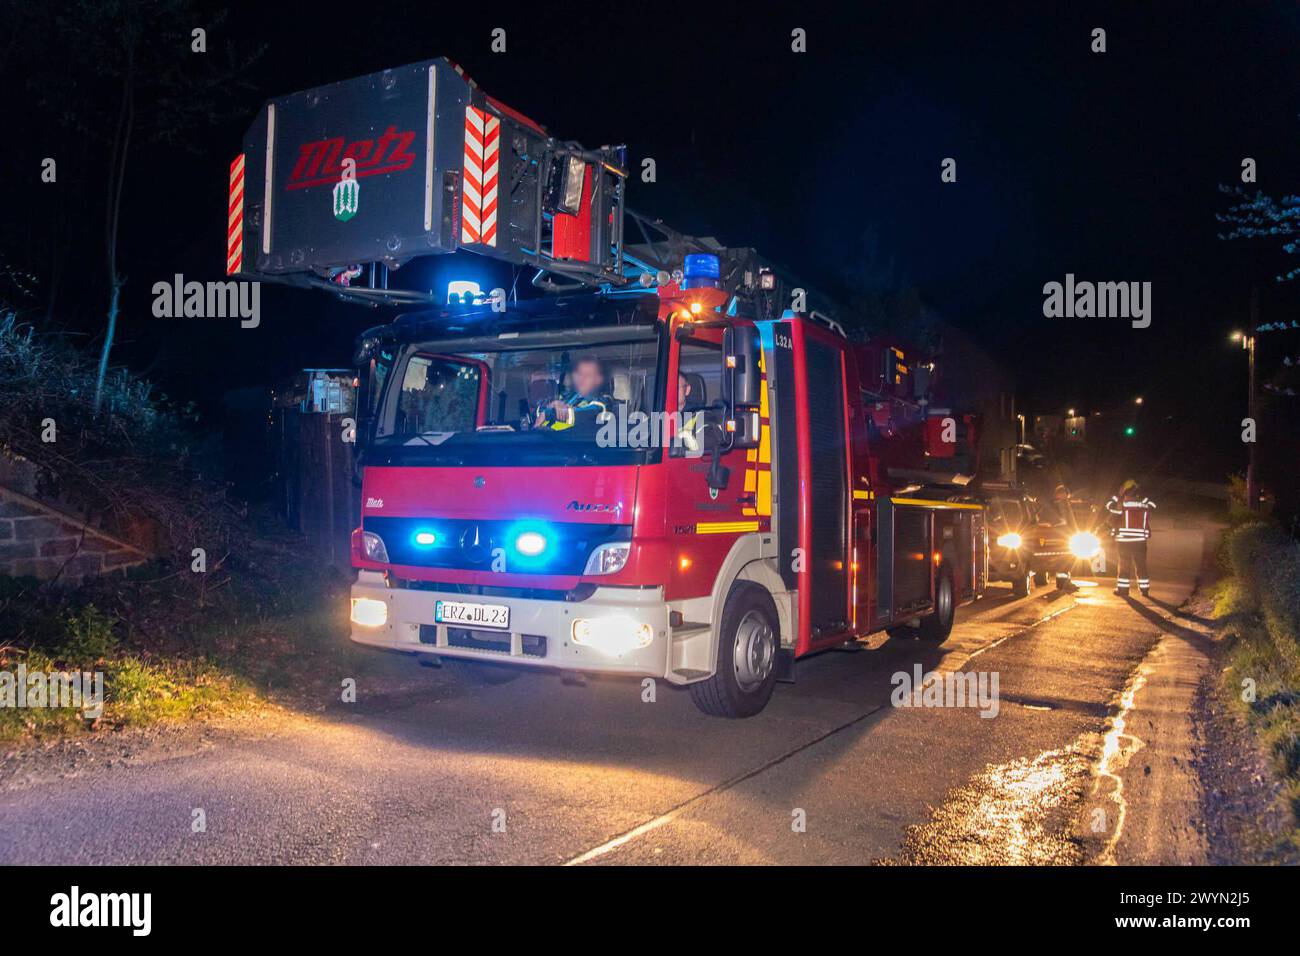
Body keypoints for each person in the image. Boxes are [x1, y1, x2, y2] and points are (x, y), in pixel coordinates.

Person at [535, 356, 612, 434]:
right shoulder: (570, 396)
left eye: (588, 375)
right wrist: (552, 404)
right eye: (579, 374)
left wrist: (547, 413)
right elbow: (538, 410)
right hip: (546, 440)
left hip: (575, 442)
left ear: (598, 379)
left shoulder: (604, 402)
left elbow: (580, 414)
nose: (581, 379)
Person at [1107, 479, 1156, 597]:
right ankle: (1144, 590)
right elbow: (1153, 505)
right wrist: (1143, 497)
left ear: (1125, 491)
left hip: (1124, 541)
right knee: (1141, 566)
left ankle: (1123, 590)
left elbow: (1109, 506)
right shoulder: (1144, 505)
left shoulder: (1122, 505)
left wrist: (1117, 496)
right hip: (1140, 541)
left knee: (1124, 566)